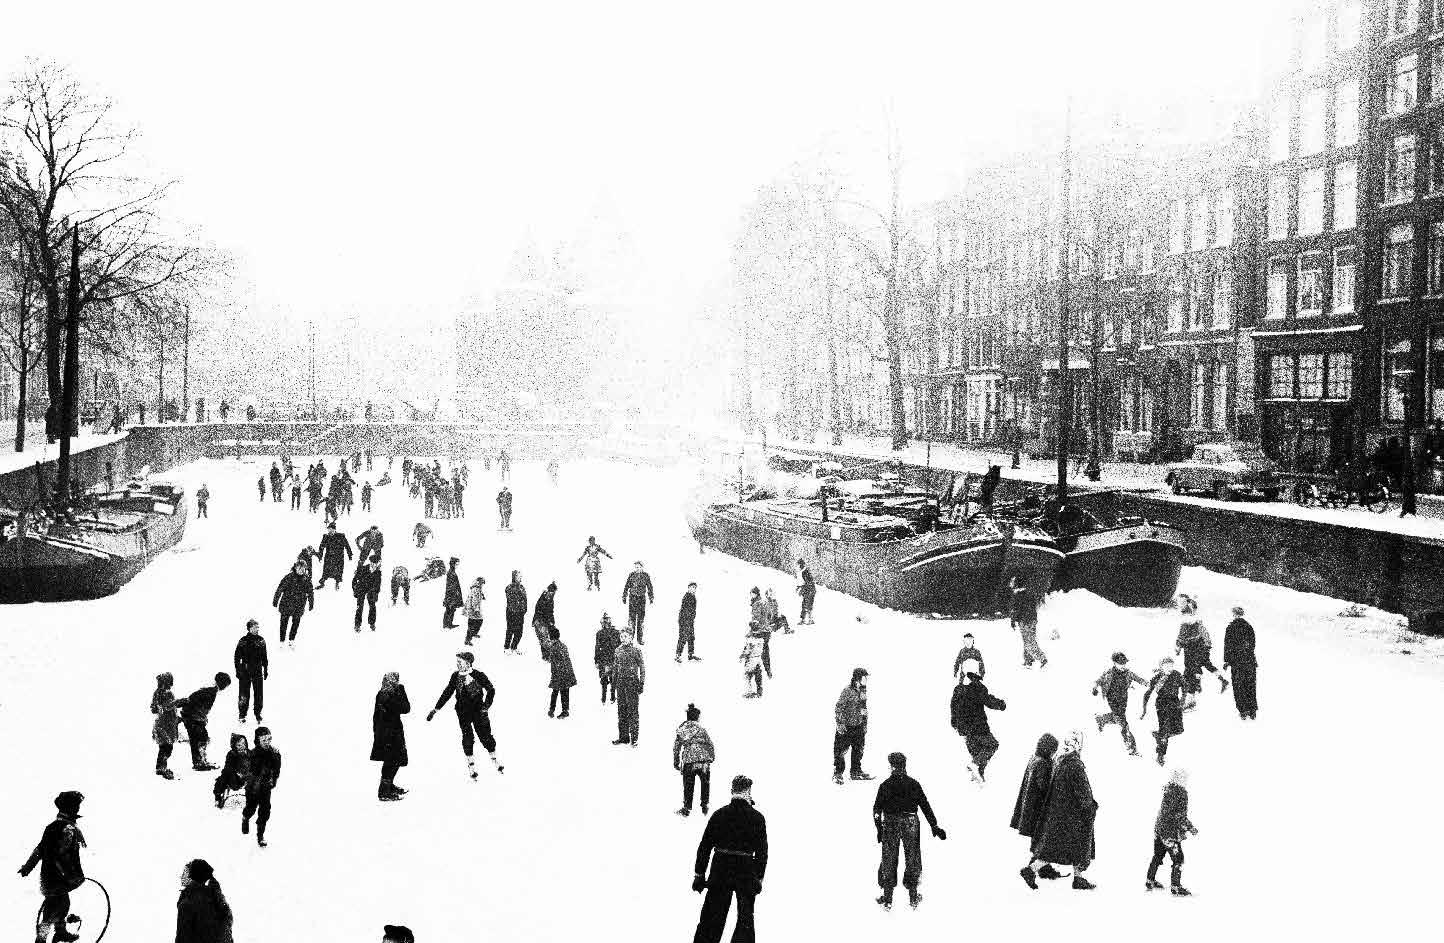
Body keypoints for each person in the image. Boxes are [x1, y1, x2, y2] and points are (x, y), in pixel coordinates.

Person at [691, 775, 767, 943]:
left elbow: (704, 847)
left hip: (720, 869)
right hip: (746, 871)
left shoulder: (719, 815)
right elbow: (762, 853)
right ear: (748, 792)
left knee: (711, 918)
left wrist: (699, 875)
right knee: (745, 920)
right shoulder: (757, 818)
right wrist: (758, 878)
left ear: (732, 791)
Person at [872, 752, 946, 910]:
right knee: (913, 858)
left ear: (891, 766)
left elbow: (876, 809)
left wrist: (879, 828)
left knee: (888, 858)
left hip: (890, 823)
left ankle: (888, 899)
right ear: (904, 765)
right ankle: (913, 897)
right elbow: (925, 805)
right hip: (910, 822)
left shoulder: (885, 785)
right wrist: (934, 825)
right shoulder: (913, 784)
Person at [1031, 730, 1099, 890]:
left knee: (1065, 847)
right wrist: (1090, 806)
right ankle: (1030, 870)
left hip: (1061, 812)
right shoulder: (1075, 764)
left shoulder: (1059, 761)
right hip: (1074, 814)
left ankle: (1078, 878)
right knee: (1066, 847)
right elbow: (1083, 790)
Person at [19, 791, 87, 943]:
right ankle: (41, 939)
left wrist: (28, 867)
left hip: (51, 876)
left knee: (62, 905)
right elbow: (60, 856)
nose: (78, 808)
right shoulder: (68, 829)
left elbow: (39, 849)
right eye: (76, 806)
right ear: (71, 808)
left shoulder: (52, 827)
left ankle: (60, 932)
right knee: (52, 910)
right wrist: (71, 876)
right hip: (57, 877)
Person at [427, 651, 504, 778]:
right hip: (462, 711)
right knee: (467, 736)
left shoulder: (478, 675)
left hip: (479, 711)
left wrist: (486, 707)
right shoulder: (455, 676)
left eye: (460, 662)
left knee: (485, 735)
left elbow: (491, 689)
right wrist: (436, 709)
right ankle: (471, 765)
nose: (457, 664)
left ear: (468, 663)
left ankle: (495, 759)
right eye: (457, 662)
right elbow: (447, 692)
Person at [1012, 733, 1061, 889]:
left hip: (1030, 809)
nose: (1054, 752)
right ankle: (1033, 869)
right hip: (1038, 810)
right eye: (1054, 750)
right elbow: (1044, 786)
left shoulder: (1034, 758)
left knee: (1039, 839)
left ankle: (1043, 869)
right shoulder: (1043, 763)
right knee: (1044, 840)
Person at [950, 660, 1006, 782]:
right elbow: (988, 701)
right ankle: (975, 765)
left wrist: (954, 722)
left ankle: (978, 776)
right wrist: (1001, 704)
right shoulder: (978, 688)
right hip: (978, 727)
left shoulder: (958, 689)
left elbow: (953, 706)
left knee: (978, 752)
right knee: (992, 745)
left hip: (964, 729)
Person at [1147, 768, 1199, 896]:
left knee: (1158, 855)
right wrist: (1190, 828)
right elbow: (1179, 816)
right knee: (1178, 858)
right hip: (1170, 833)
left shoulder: (1168, 790)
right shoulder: (1181, 793)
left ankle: (1150, 880)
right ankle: (1175, 886)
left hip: (1159, 829)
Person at [177, 673, 232, 771]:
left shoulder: (210, 690)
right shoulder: (210, 691)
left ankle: (200, 761)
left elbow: (192, 701)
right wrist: (201, 718)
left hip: (191, 716)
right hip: (192, 718)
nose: (225, 688)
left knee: (197, 738)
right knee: (200, 738)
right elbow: (194, 703)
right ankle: (199, 762)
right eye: (226, 685)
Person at [1175, 595, 1222, 705]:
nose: (1179, 604)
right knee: (1191, 672)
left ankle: (1190, 700)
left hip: (1192, 649)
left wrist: (1179, 645)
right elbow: (1185, 635)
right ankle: (1191, 697)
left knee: (1189, 673)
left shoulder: (1188, 619)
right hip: (1193, 648)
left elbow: (1184, 635)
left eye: (1182, 602)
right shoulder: (1192, 619)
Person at [372, 672, 411, 801]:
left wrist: (400, 690)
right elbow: (404, 708)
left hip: (393, 732)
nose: (393, 682)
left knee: (395, 760)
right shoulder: (384, 695)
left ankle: (388, 786)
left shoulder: (392, 692)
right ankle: (384, 792)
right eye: (390, 680)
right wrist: (400, 690)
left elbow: (406, 708)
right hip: (387, 734)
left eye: (394, 680)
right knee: (391, 761)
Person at [175, 858, 234, 943]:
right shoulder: (216, 899)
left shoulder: (188, 902)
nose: (182, 876)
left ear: (194, 876)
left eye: (186, 873)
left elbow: (182, 938)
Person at [1142, 657, 1187, 765]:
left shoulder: (1176, 674)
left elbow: (1185, 686)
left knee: (1179, 730)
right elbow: (1147, 693)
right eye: (1166, 666)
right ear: (1161, 667)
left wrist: (1182, 700)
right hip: (1162, 705)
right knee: (1165, 730)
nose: (1169, 668)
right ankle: (1160, 755)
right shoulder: (1157, 677)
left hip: (1175, 703)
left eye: (1171, 665)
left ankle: (1160, 736)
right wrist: (1144, 710)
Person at [673, 704, 715, 816]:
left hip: (689, 761)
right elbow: (710, 744)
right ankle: (705, 806)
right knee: (705, 783)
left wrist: (676, 762)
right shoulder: (702, 729)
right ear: (697, 717)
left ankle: (686, 808)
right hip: (703, 760)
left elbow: (676, 747)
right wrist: (711, 758)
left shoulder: (682, 729)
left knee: (688, 785)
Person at [242, 727, 282, 847]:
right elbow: (246, 771)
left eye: (269, 739)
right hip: (253, 788)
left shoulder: (273, 753)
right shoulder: (252, 754)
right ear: (257, 740)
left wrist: (273, 780)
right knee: (251, 808)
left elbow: (276, 770)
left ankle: (260, 836)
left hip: (265, 787)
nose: (267, 742)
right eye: (263, 740)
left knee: (265, 811)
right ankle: (245, 818)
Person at [833, 668, 872, 784]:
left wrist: (864, 724)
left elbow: (864, 709)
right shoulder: (847, 691)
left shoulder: (863, 691)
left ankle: (856, 772)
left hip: (858, 725)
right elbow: (839, 708)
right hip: (846, 727)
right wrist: (840, 723)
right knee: (841, 751)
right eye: (865, 677)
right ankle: (838, 774)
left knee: (858, 750)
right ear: (858, 678)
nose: (866, 679)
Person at [1222, 605, 1258, 720]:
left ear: (1234, 614)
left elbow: (1227, 646)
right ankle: (1252, 710)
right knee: (1250, 685)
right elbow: (1252, 645)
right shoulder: (1249, 627)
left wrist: (1227, 661)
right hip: (1249, 661)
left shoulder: (1230, 628)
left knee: (1238, 686)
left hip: (1236, 662)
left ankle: (1243, 710)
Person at [270, 559, 314, 651]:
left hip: (299, 606)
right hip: (286, 604)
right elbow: (280, 589)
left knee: (295, 624)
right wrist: (275, 600)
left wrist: (311, 603)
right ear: (295, 567)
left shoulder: (306, 580)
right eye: (299, 568)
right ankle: (282, 641)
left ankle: (291, 640)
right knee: (283, 623)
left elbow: (310, 592)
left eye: (303, 568)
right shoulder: (289, 577)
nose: (301, 570)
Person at [612, 630, 644, 746]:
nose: (623, 638)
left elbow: (642, 667)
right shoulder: (617, 650)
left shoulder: (636, 651)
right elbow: (615, 668)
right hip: (620, 683)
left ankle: (634, 738)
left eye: (625, 636)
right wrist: (613, 686)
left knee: (633, 711)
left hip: (632, 683)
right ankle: (623, 737)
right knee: (621, 711)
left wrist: (641, 683)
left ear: (631, 637)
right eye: (621, 636)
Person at [233, 619, 268, 723]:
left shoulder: (261, 640)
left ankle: (258, 714)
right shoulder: (243, 640)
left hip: (257, 670)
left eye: (258, 627)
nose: (257, 629)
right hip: (245, 670)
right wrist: (238, 670)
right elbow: (236, 656)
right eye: (255, 627)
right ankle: (242, 715)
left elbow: (264, 656)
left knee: (259, 694)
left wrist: (266, 669)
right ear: (250, 628)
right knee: (243, 694)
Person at [1009, 577, 1046, 667]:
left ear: (1016, 584)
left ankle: (1042, 658)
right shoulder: (1030, 593)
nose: (1011, 585)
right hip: (1032, 620)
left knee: (1029, 641)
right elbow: (1035, 606)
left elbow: (1015, 610)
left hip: (1024, 621)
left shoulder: (1017, 595)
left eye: (1012, 583)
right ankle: (1028, 659)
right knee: (1029, 639)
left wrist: (1013, 622)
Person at [152, 671, 181, 779]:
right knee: (167, 747)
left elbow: (154, 709)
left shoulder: (157, 693)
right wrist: (178, 702)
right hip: (166, 724)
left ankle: (160, 767)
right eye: (170, 681)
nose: (171, 684)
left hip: (161, 723)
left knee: (163, 746)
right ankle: (162, 768)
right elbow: (168, 707)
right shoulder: (167, 693)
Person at [212, 734, 250, 809]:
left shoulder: (249, 753)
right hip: (234, 779)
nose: (242, 746)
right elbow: (228, 767)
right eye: (239, 745)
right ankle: (218, 796)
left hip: (247, 777)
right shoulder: (232, 754)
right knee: (224, 776)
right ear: (234, 746)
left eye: (244, 744)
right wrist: (236, 773)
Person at [621, 561, 655, 643]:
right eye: (636, 567)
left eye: (639, 567)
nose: (637, 569)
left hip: (641, 599)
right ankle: (630, 639)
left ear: (642, 567)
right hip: (632, 599)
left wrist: (651, 597)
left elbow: (650, 587)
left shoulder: (646, 576)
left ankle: (640, 639)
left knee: (641, 620)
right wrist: (624, 596)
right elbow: (626, 586)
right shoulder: (631, 575)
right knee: (631, 620)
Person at [546, 627, 577, 718]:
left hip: (559, 673)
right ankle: (562, 710)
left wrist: (558, 674)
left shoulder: (554, 648)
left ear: (551, 637)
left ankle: (554, 710)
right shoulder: (563, 645)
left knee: (556, 691)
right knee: (563, 691)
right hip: (567, 672)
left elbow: (554, 661)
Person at [316, 522, 353, 591]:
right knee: (326, 570)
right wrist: (320, 556)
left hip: (338, 557)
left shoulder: (341, 536)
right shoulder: (326, 537)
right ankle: (322, 583)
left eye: (330, 529)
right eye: (328, 529)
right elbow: (321, 547)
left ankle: (337, 583)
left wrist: (350, 555)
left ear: (334, 529)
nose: (329, 531)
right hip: (329, 557)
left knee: (338, 571)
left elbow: (347, 546)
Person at [594, 612, 621, 703]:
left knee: (611, 680)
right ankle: (605, 698)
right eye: (604, 622)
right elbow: (597, 647)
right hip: (605, 659)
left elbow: (619, 646)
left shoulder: (616, 632)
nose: (605, 624)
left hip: (611, 659)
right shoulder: (600, 633)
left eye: (606, 622)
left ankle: (610, 698)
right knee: (605, 680)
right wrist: (596, 661)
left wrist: (597, 661)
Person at [353, 554, 383, 632]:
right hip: (361, 588)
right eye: (374, 563)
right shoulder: (363, 569)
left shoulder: (378, 572)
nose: (376, 565)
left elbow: (378, 585)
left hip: (371, 590)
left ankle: (372, 623)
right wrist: (355, 590)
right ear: (371, 562)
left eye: (378, 563)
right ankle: (357, 625)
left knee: (372, 606)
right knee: (360, 606)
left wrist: (376, 594)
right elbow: (355, 579)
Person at [503, 570, 527, 653]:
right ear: (514, 577)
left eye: (521, 576)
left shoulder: (522, 587)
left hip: (520, 613)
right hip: (512, 612)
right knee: (510, 630)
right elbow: (511, 600)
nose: (521, 578)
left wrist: (524, 609)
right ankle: (506, 647)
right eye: (519, 576)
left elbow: (524, 599)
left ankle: (514, 647)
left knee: (519, 632)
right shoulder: (509, 587)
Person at [533, 582, 558, 656]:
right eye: (553, 592)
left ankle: (546, 655)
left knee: (544, 639)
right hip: (540, 621)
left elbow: (550, 612)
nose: (553, 594)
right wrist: (550, 622)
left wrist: (552, 622)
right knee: (544, 639)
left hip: (542, 621)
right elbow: (546, 612)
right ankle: (546, 656)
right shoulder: (546, 598)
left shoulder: (548, 598)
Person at [739, 626, 766, 698]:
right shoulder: (761, 640)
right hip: (758, 659)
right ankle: (759, 692)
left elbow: (747, 651)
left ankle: (749, 692)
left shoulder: (750, 641)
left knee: (748, 675)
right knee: (758, 676)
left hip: (751, 659)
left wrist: (741, 656)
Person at [676, 582, 700, 662]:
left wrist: (692, 619)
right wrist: (685, 621)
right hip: (684, 620)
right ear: (689, 588)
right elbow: (685, 610)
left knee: (691, 637)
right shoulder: (687, 597)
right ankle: (678, 655)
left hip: (690, 620)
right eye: (692, 587)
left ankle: (691, 655)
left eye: (695, 588)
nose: (694, 589)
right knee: (683, 637)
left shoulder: (693, 597)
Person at [442, 557, 463, 629]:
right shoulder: (451, 573)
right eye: (456, 564)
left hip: (452, 594)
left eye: (458, 564)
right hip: (451, 595)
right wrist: (455, 595)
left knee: (450, 609)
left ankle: (447, 624)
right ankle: (448, 624)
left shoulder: (452, 572)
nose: (457, 566)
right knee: (450, 609)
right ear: (452, 564)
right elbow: (451, 586)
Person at [464, 576, 486, 646]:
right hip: (472, 609)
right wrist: (476, 609)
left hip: (471, 608)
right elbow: (474, 600)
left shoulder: (477, 588)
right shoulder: (476, 589)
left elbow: (476, 596)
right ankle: (468, 640)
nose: (482, 584)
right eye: (482, 583)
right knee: (475, 622)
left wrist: (482, 595)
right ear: (479, 582)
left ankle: (472, 634)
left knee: (473, 623)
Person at [796, 558, 816, 625]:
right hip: (807, 590)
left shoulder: (805, 572)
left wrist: (802, 589)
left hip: (810, 590)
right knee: (804, 604)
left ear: (801, 565)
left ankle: (810, 619)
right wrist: (799, 587)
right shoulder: (802, 571)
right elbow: (803, 582)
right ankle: (803, 619)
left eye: (799, 564)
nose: (798, 566)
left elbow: (809, 583)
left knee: (808, 604)